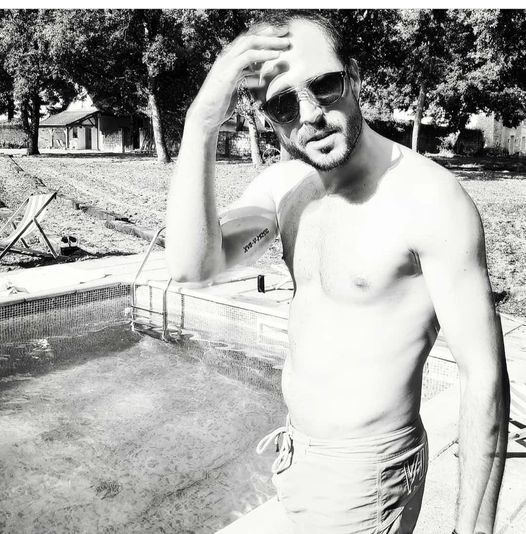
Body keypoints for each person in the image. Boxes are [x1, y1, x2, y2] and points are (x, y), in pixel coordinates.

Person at [166, 12, 509, 534]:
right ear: (268, 118)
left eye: (324, 85)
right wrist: (200, 123)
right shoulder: (285, 189)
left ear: (355, 77)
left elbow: (483, 377)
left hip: (368, 478)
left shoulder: (428, 199)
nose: (310, 115)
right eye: (284, 104)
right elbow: (193, 268)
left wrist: (473, 529)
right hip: (297, 456)